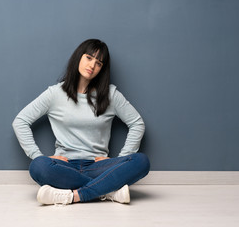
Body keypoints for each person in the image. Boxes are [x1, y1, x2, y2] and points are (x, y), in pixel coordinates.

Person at [12, 39, 150, 205]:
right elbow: (20, 121)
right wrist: (37, 155)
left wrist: (119, 159)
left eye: (99, 63)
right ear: (79, 57)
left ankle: (73, 196)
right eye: (89, 58)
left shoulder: (111, 95)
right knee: (38, 166)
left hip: (99, 167)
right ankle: (108, 191)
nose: (92, 65)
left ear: (102, 69)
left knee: (141, 161)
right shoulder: (55, 94)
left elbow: (137, 124)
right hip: (64, 166)